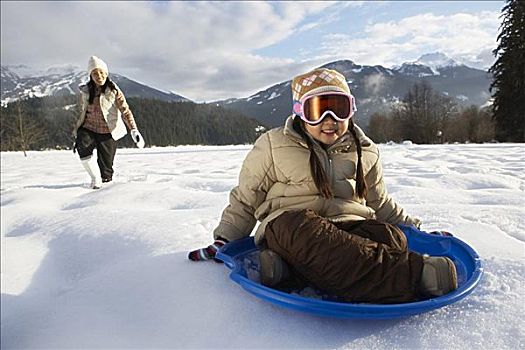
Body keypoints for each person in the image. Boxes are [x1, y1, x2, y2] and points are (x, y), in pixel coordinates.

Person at [188, 68, 458, 304]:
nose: (329, 120)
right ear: (300, 114)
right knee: (308, 233)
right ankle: (418, 276)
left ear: (350, 111)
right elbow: (246, 198)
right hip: (291, 227)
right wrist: (225, 238)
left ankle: (287, 271)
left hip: (347, 225)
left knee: (392, 238)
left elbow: (380, 202)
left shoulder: (366, 151)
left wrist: (415, 230)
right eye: (317, 111)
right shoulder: (273, 144)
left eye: (338, 109)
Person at [73, 56, 145, 189]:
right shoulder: (86, 90)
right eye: (94, 73)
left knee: (106, 170)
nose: (98, 76)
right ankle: (95, 179)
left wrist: (134, 129)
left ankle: (105, 188)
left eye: (101, 72)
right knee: (82, 146)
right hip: (88, 127)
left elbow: (125, 110)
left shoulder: (114, 90)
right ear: (91, 75)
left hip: (108, 132)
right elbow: (84, 110)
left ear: (106, 73)